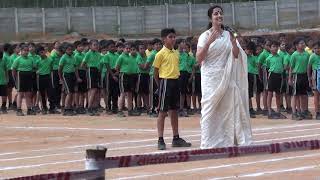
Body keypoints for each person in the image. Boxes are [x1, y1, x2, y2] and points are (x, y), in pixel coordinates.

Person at [196, 5, 252, 148]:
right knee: (209, 110)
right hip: (210, 79)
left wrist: (234, 43)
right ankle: (208, 142)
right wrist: (209, 42)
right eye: (216, 14)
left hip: (227, 76)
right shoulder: (205, 36)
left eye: (221, 13)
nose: (219, 16)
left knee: (229, 108)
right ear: (211, 17)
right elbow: (199, 58)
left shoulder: (228, 35)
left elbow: (236, 55)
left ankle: (229, 139)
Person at [153, 28, 192, 150]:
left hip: (176, 81)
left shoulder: (176, 53)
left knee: (174, 111)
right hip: (165, 82)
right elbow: (155, 72)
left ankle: (176, 138)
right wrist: (160, 86)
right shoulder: (160, 54)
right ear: (164, 39)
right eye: (170, 37)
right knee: (162, 112)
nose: (173, 39)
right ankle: (160, 139)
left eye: (174, 37)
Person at [289, 37, 311, 120]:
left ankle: (304, 111)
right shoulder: (294, 55)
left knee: (304, 95)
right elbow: (291, 67)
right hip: (297, 76)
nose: (303, 44)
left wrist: (309, 77)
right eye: (301, 43)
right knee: (295, 95)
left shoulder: (307, 54)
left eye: (303, 43)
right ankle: (294, 113)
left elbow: (309, 66)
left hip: (305, 75)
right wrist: (290, 78)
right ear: (296, 45)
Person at [11, 44, 35, 116]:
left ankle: (29, 109)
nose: (26, 52)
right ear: (21, 51)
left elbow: (33, 68)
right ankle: (18, 110)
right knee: (20, 94)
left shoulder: (31, 59)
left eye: (27, 50)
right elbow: (13, 70)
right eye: (24, 50)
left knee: (28, 94)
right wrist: (15, 79)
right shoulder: (17, 59)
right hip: (20, 76)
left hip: (28, 76)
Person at [266, 40, 286, 119]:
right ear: (270, 48)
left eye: (276, 47)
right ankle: (269, 112)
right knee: (270, 94)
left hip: (279, 76)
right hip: (272, 76)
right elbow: (267, 67)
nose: (275, 48)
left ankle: (278, 112)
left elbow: (283, 66)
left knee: (278, 94)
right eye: (273, 46)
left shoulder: (281, 57)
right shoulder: (268, 58)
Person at [307, 41, 320, 119]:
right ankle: (317, 112)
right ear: (313, 49)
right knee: (316, 95)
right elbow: (309, 68)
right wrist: (309, 78)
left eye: (318, 48)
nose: (317, 49)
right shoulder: (312, 56)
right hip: (315, 75)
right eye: (315, 48)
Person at [0, 49, 8, 114]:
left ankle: (3, 106)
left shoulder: (3, 60)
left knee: (4, 95)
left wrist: (7, 79)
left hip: (3, 81)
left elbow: (6, 70)